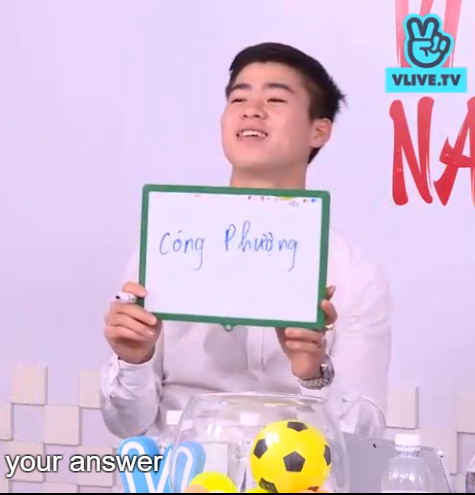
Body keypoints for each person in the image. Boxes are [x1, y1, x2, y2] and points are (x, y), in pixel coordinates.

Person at [100, 42, 392, 440]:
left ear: (319, 130)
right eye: (239, 98)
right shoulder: (168, 244)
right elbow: (125, 423)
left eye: (275, 99)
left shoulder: (354, 274)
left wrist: (314, 375)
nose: (252, 109)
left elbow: (366, 436)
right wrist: (134, 360)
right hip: (183, 465)